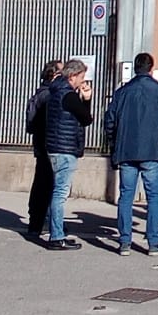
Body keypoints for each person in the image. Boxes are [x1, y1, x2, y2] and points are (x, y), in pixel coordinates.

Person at [108, 52, 158, 256]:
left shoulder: (122, 92)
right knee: (154, 196)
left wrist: (114, 144)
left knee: (126, 196)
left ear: (135, 68)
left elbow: (110, 121)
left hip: (127, 150)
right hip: (152, 149)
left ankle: (125, 241)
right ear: (151, 69)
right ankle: (153, 242)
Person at [40, 60, 94, 249]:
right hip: (65, 148)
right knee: (60, 193)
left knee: (57, 190)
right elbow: (86, 119)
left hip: (54, 146)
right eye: (81, 77)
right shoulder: (69, 95)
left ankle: (56, 230)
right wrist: (87, 99)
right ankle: (56, 236)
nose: (83, 81)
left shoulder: (55, 91)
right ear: (72, 76)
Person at [25, 59, 63, 241]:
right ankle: (44, 221)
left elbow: (31, 124)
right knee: (48, 184)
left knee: (41, 182)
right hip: (49, 144)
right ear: (53, 75)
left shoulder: (39, 94)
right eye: (61, 73)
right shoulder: (49, 95)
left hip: (41, 144)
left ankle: (36, 222)